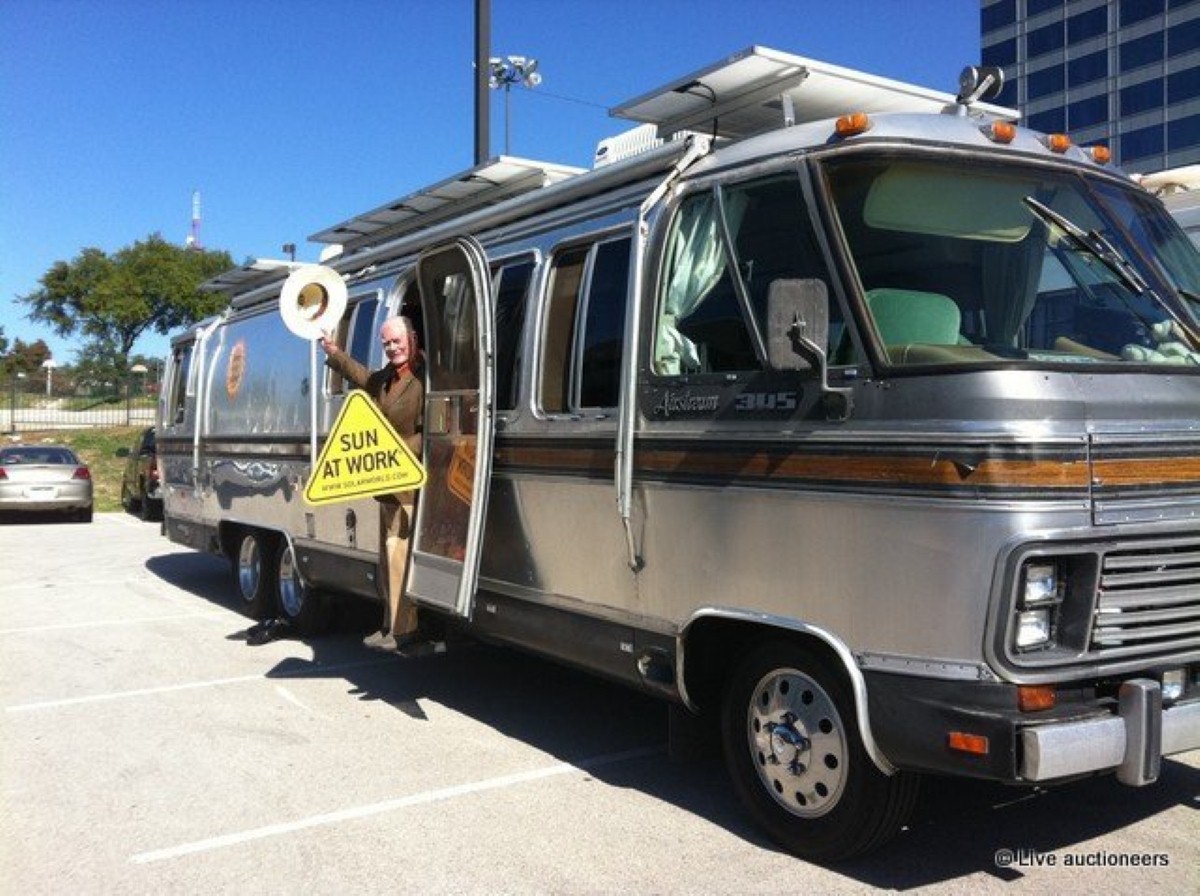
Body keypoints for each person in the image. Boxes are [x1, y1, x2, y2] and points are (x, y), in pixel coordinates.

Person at [320, 315, 431, 650]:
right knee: (386, 558)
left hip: (408, 483)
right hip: (386, 484)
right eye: (386, 343)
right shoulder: (385, 377)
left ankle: (403, 630)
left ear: (412, 338)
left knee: (399, 554)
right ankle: (388, 623)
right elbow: (363, 377)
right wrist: (334, 352)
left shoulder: (426, 378)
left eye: (397, 341)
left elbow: (429, 434)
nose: (392, 348)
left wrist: (395, 453)